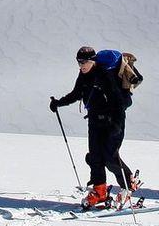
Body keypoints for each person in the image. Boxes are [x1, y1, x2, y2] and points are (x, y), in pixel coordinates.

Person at [52, 45, 136, 208]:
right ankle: (99, 191)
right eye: (79, 62)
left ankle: (128, 185)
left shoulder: (105, 75)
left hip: (112, 121)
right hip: (94, 121)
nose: (81, 65)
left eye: (84, 62)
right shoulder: (83, 75)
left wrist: (117, 125)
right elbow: (76, 93)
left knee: (110, 157)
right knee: (95, 157)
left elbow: (119, 102)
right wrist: (59, 103)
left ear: (93, 60)